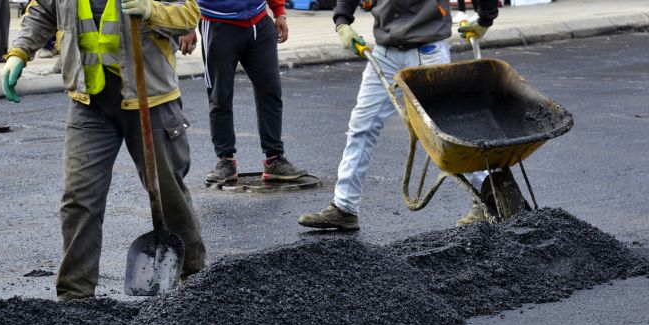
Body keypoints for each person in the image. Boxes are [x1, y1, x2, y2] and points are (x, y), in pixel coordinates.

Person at [0, 0, 206, 300]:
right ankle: (75, 296)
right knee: (79, 199)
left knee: (168, 193)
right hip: (89, 102)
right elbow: (43, 9)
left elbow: (188, 14)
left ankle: (196, 280)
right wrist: (20, 51)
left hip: (149, 98)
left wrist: (151, 10)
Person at [298, 0, 499, 230]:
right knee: (361, 126)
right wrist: (342, 21)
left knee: (442, 133)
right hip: (385, 52)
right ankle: (344, 207)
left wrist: (485, 18)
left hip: (427, 50)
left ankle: (489, 197)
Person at [177, 0, 307, 183]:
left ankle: (275, 159)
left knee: (270, 92)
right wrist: (186, 25)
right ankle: (225, 162)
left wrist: (279, 12)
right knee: (219, 96)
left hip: (259, 23)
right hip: (218, 23)